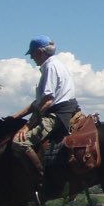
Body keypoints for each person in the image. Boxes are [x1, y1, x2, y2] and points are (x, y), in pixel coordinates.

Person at [11, 35, 80, 183]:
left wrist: (27, 125)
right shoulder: (56, 64)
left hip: (58, 114)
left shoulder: (50, 66)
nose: (31, 58)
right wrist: (16, 116)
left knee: (19, 142)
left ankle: (40, 179)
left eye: (32, 54)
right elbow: (38, 102)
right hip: (64, 108)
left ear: (40, 52)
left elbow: (47, 101)